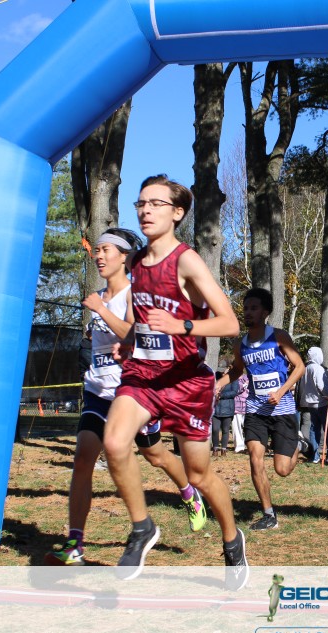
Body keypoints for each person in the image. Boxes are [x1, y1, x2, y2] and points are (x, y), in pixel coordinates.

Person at [102, 174, 247, 588]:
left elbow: (229, 323)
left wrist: (183, 325)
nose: (145, 210)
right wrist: (130, 343)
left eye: (156, 204)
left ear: (177, 213)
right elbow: (142, 320)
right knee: (115, 442)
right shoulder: (135, 263)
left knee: (198, 475)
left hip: (186, 382)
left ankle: (232, 540)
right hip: (144, 377)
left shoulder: (187, 261)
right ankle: (142, 526)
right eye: (141, 203)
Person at [45, 228, 207, 567]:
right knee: (83, 458)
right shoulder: (97, 296)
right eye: (97, 250)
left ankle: (188, 493)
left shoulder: (135, 295)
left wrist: (102, 312)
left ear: (123, 256)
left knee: (156, 455)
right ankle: (75, 543)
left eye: (106, 250)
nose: (99, 256)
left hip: (132, 392)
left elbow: (133, 335)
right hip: (98, 391)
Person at [216, 288, 306, 531]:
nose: (248, 312)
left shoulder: (278, 336)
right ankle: (268, 514)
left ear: (266, 312)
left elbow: (299, 367)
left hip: (282, 409)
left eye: (254, 308)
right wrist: (218, 385)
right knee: (255, 459)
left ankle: (298, 444)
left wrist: (282, 391)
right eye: (246, 308)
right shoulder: (240, 344)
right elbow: (237, 370)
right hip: (255, 410)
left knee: (282, 469)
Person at [299, 346, 328, 463]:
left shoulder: (306, 368)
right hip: (321, 402)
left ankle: (314, 456)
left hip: (310, 403)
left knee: (314, 429)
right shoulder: (318, 368)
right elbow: (321, 386)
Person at [212, 369, 238, 456]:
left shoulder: (233, 378)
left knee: (225, 430)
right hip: (215, 408)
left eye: (224, 370)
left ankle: (224, 449)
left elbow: (234, 392)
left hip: (228, 408)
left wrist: (221, 395)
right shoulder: (215, 378)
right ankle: (215, 448)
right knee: (215, 429)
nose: (223, 372)